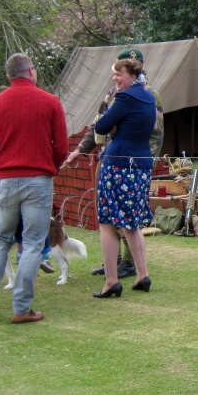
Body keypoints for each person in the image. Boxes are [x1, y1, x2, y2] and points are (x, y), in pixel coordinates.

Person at [0, 53, 67, 323]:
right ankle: (21, 308)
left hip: (8, 178)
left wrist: (3, 170)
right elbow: (61, 148)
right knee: (33, 244)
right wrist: (49, 168)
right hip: (39, 177)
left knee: (0, 240)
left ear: (9, 76)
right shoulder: (50, 102)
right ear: (31, 71)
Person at [65, 47, 164, 280]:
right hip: (109, 155)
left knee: (127, 215)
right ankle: (114, 262)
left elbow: (156, 133)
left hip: (131, 161)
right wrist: (81, 149)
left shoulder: (149, 94)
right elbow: (97, 123)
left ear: (134, 68)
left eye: (121, 69)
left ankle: (129, 263)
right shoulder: (114, 92)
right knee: (108, 213)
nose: (116, 76)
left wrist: (145, 161)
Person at [92, 57, 157, 298]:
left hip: (118, 164)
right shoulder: (149, 97)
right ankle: (142, 274)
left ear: (132, 75)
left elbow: (101, 126)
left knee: (108, 222)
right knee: (132, 222)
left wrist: (113, 126)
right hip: (141, 165)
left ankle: (111, 281)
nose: (115, 79)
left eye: (119, 74)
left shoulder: (125, 98)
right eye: (114, 74)